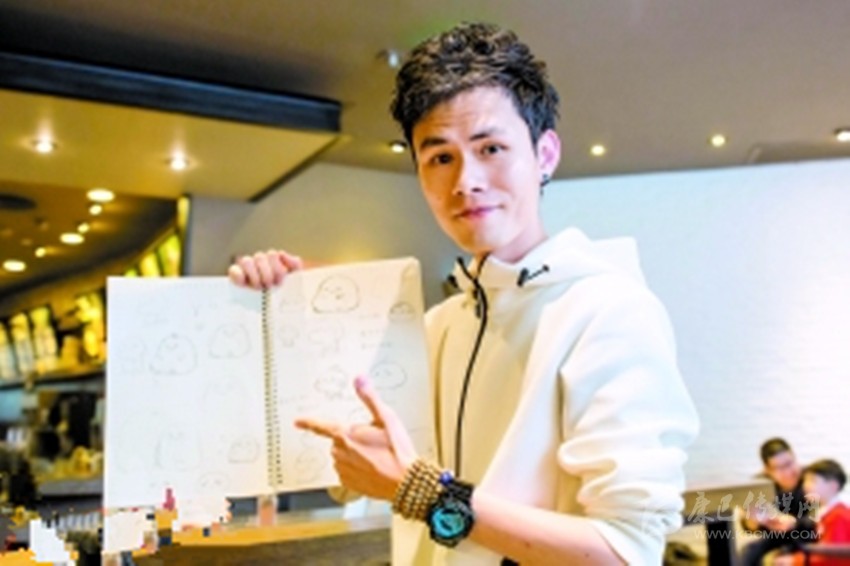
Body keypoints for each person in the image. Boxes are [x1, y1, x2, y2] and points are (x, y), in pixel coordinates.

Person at [229, 21, 699, 565]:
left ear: (545, 154)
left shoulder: (609, 312)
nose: (465, 181)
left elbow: (625, 551)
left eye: (491, 148)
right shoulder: (437, 326)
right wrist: (279, 310)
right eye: (440, 157)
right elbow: (341, 461)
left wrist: (425, 495)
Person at [741, 438, 817, 566]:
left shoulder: (812, 479)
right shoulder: (760, 485)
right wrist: (753, 521)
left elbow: (820, 518)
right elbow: (750, 527)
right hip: (777, 537)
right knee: (749, 552)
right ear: (767, 470)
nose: (788, 471)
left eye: (790, 463)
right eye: (780, 468)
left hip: (808, 535)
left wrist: (794, 523)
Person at [773, 459, 850, 566]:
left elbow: (833, 558)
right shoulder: (826, 514)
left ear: (833, 486)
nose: (806, 485)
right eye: (805, 481)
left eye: (812, 481)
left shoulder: (839, 516)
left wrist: (795, 561)